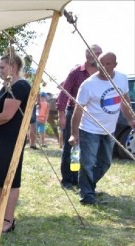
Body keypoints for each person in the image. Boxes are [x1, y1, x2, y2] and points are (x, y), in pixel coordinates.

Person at [70, 52, 135, 205]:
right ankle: (87, 196)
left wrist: (131, 119)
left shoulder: (122, 79)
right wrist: (74, 134)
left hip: (109, 130)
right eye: (101, 63)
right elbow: (78, 110)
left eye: (108, 64)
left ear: (115, 65)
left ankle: (88, 187)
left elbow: (124, 101)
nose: (103, 67)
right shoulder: (88, 85)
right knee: (87, 162)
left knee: (105, 162)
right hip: (89, 129)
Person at [0, 52, 31, 234]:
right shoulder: (6, 87)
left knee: (10, 180)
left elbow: (6, 115)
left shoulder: (21, 86)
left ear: (14, 67)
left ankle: (8, 218)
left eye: (2, 67)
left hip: (10, 140)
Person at [57, 44, 102, 189]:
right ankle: (67, 179)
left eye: (96, 53)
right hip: (74, 113)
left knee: (87, 150)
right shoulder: (76, 72)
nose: (93, 56)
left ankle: (79, 179)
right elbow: (64, 92)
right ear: (86, 55)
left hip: (92, 116)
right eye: (90, 53)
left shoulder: (102, 73)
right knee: (71, 146)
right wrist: (61, 114)